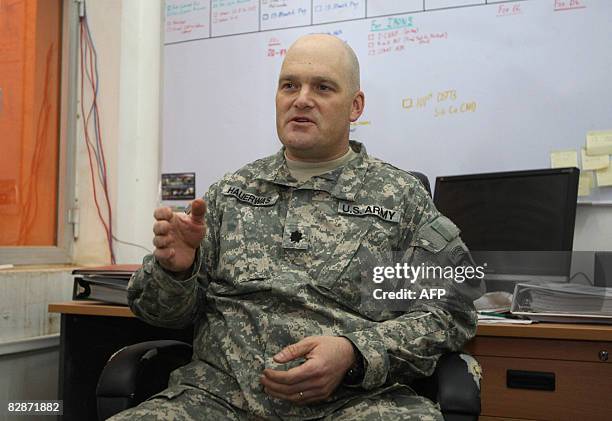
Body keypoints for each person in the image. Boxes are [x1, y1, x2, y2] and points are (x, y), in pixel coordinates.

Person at [111, 34, 481, 421]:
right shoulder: (229, 193)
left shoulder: (400, 199)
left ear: (355, 106)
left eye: (322, 87)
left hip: (352, 405)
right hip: (216, 401)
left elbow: (453, 310)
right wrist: (176, 272)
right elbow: (159, 315)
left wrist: (355, 352)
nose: (301, 98)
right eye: (290, 85)